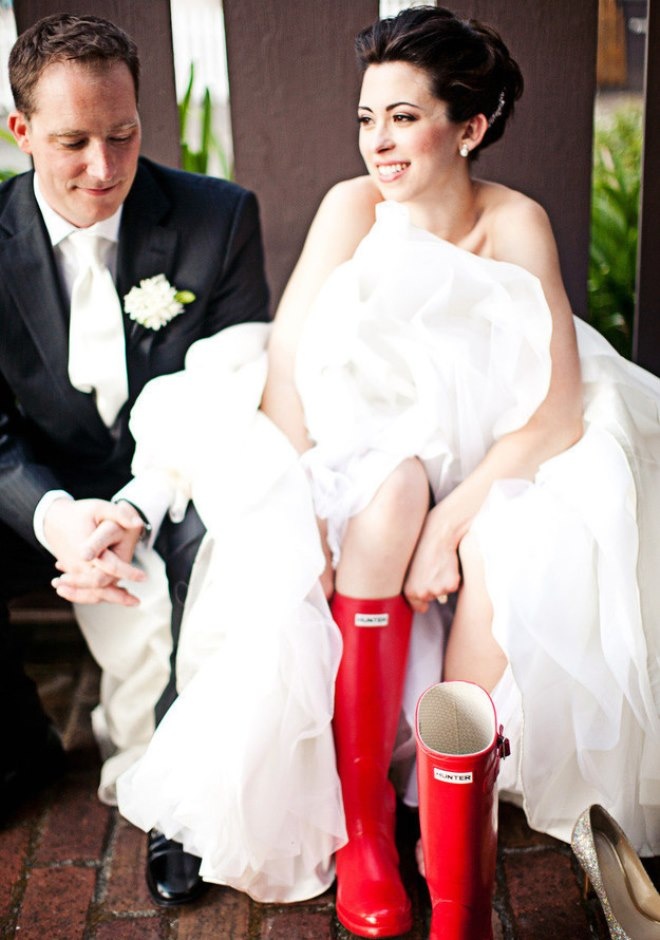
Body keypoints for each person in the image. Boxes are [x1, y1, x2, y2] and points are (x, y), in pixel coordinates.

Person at [89, 3, 659, 934]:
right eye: (367, 118)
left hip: (493, 453)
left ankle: (450, 839)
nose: (378, 142)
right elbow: (288, 367)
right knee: (392, 493)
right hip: (363, 450)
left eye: (403, 117)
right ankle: (363, 831)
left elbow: (554, 411)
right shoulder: (351, 208)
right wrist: (298, 510)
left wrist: (454, 525)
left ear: (469, 128)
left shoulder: (514, 222)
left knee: (513, 549)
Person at [0, 12, 268, 906]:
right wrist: (52, 516)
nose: (104, 167)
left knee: (225, 550)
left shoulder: (218, 218)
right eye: (73, 142)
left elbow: (232, 387)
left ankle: (180, 796)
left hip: (175, 476)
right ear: (21, 130)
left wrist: (140, 503)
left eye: (123, 134)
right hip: (36, 487)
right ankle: (17, 747)